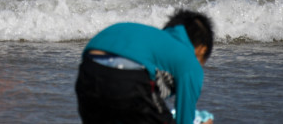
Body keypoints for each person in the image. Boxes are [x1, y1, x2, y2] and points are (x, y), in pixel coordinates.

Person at [75, 10, 215, 124]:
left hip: (88, 71)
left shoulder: (151, 37)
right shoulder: (188, 58)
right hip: (128, 77)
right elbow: (184, 118)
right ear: (202, 49)